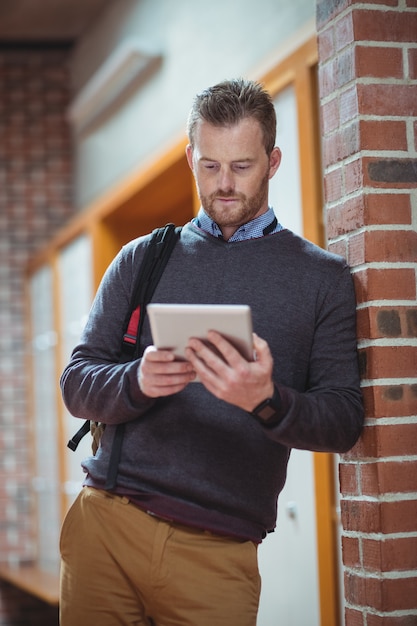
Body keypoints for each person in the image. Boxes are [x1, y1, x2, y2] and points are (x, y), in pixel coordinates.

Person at [59, 78, 364, 626]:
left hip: (220, 552)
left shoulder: (323, 279)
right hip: (106, 526)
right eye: (209, 165)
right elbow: (76, 383)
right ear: (189, 157)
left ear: (273, 161)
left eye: (242, 167)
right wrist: (138, 381)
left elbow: (343, 421)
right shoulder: (142, 257)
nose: (224, 185)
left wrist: (266, 400)